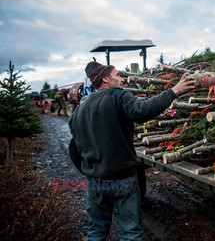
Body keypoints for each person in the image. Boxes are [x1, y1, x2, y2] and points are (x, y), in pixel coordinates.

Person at [68, 61, 195, 241]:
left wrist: (91, 171)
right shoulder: (117, 96)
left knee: (96, 230)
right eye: (118, 75)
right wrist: (173, 91)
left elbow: (73, 150)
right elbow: (142, 111)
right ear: (105, 79)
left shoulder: (78, 112)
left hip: (96, 182)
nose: (122, 80)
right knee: (131, 232)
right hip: (122, 179)